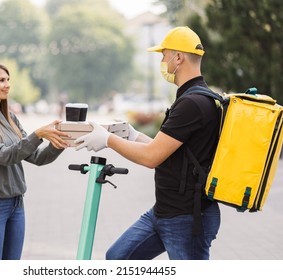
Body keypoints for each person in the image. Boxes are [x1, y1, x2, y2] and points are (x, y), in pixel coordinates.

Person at [75, 26, 221, 260]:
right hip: (164, 211)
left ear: (179, 57)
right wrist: (132, 135)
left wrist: (108, 140)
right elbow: (168, 150)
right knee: (117, 258)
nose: (162, 62)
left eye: (164, 55)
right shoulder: (194, 97)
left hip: (187, 217)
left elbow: (151, 158)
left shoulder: (192, 103)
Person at [0, 61, 69, 260]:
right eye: (1, 80)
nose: (7, 85)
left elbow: (36, 157)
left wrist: (58, 142)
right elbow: (4, 155)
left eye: (8, 80)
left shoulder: (9, 118)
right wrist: (38, 134)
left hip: (16, 205)